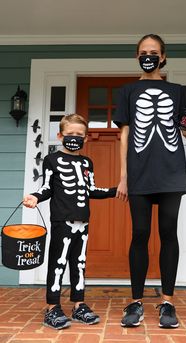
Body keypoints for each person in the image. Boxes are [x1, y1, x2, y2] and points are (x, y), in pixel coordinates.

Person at [114, 34, 186, 329]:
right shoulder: (126, 91)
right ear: (136, 56)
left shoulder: (176, 91)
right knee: (139, 234)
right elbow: (124, 134)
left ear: (163, 57)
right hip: (138, 173)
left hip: (171, 173)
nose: (148, 55)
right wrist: (123, 176)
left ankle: (168, 303)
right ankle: (136, 301)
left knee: (168, 234)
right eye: (142, 52)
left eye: (153, 52)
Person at [23, 114, 116, 330]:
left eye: (79, 135)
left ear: (85, 138)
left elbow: (91, 189)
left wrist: (114, 191)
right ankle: (52, 307)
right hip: (61, 221)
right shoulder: (52, 159)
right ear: (60, 135)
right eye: (70, 134)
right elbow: (47, 187)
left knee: (79, 264)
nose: (75, 138)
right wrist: (35, 196)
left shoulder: (87, 162)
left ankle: (78, 305)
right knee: (58, 263)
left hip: (83, 221)